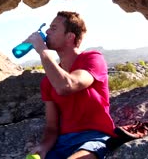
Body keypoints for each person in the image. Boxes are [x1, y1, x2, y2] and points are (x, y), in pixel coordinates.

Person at [25, 11, 116, 159]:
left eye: (53, 28)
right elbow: (51, 127)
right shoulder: (48, 81)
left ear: (70, 37)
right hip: (63, 143)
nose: (47, 31)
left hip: (95, 137)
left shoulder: (92, 59)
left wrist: (42, 50)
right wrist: (43, 146)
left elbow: (67, 86)